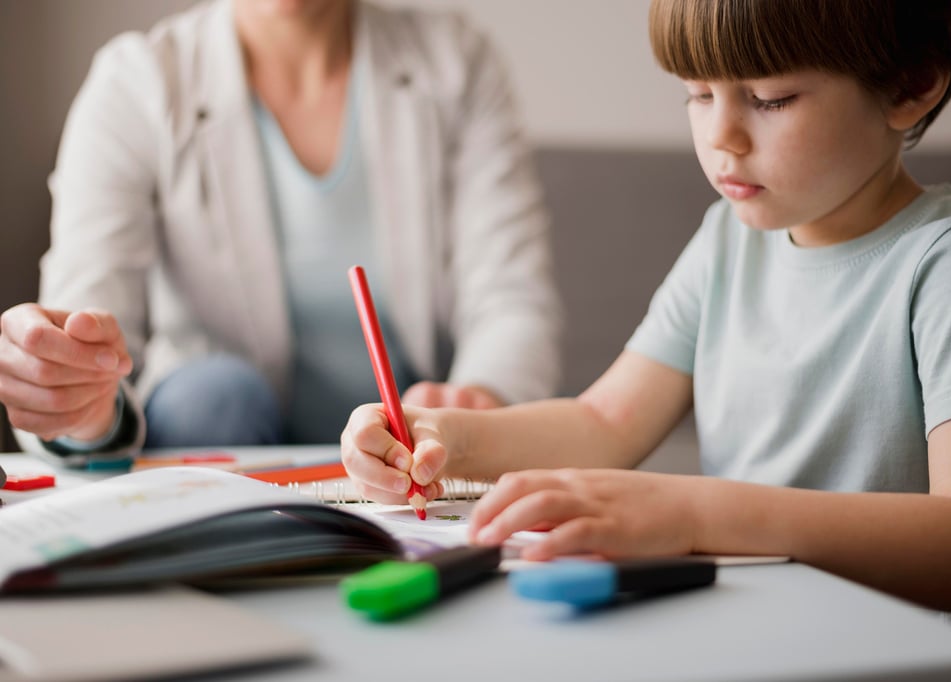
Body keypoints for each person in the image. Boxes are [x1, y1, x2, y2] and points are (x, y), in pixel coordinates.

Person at [341, 0, 951, 656]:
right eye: (698, 94)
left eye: (769, 98)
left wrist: (698, 515)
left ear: (912, 84)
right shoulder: (728, 240)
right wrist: (443, 436)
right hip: (770, 636)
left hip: (920, 658)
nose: (720, 136)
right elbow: (604, 421)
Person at [0, 0, 561, 460]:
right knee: (215, 400)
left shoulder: (458, 64)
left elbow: (510, 301)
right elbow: (82, 321)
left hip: (408, 453)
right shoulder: (136, 84)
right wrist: (74, 395)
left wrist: (477, 401)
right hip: (211, 439)